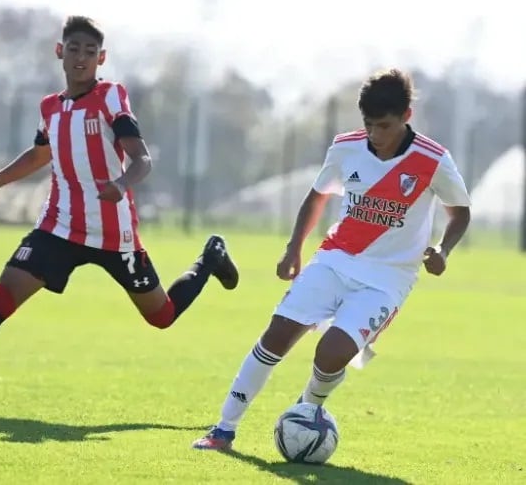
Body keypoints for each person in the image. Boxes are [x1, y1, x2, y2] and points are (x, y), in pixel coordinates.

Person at [0, 15, 239, 409]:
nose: (81, 58)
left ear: (101, 58)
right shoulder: (50, 108)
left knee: (161, 316)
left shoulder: (111, 97)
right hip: (58, 227)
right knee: (3, 294)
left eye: (90, 52)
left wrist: (122, 185)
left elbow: (142, 159)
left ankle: (209, 258)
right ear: (60, 52)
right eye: (74, 49)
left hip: (114, 234)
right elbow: (40, 155)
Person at [192, 68, 471, 451]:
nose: (375, 135)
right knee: (276, 336)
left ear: (407, 116)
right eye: (369, 125)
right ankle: (223, 429)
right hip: (335, 258)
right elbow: (317, 196)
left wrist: (443, 249)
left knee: (332, 354)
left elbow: (460, 212)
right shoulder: (345, 147)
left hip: (388, 279)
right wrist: (293, 248)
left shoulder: (433, 159)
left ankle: (308, 408)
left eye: (384, 126)